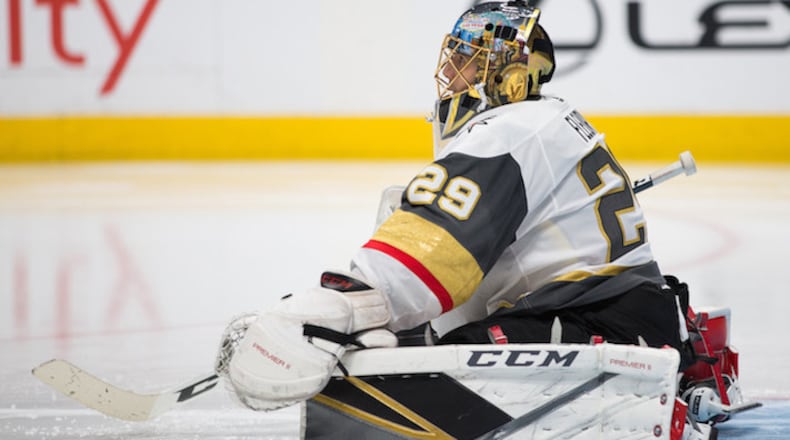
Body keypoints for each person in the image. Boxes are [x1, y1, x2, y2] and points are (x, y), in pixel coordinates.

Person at [214, 1, 689, 411]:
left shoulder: (509, 135)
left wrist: (338, 310)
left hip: (600, 324)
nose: (451, 71)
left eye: (468, 59)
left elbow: (431, 253)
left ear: (509, 77)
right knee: (412, 324)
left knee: (426, 374)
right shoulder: (545, 120)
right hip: (623, 314)